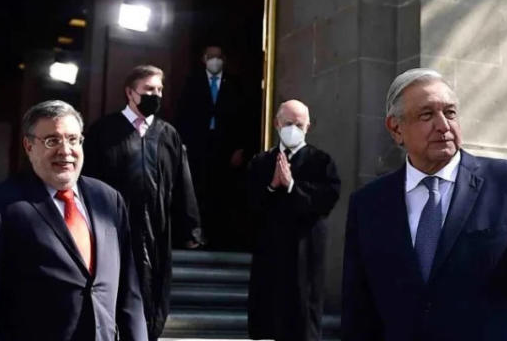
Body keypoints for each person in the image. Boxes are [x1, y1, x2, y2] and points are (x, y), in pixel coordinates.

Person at [341, 68, 507, 341]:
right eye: (426, 115)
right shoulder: (369, 204)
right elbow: (358, 312)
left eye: (450, 112)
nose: (443, 125)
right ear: (396, 128)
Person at [0, 100, 147, 341]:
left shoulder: (108, 200)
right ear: (28, 146)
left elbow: (130, 292)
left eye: (73, 139)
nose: (65, 150)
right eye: (52, 140)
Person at [83, 64, 201, 340]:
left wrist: (191, 227)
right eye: (148, 90)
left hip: (157, 227)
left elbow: (183, 182)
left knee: (154, 290)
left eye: (159, 90)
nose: (155, 95)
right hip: (114, 227)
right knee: (118, 287)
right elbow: (88, 179)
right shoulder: (105, 131)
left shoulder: (167, 133)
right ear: (130, 92)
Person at [246, 100, 341, 341]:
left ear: (308, 127)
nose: (293, 129)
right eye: (288, 123)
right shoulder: (261, 162)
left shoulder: (321, 162)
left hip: (304, 254)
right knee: (268, 320)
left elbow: (325, 200)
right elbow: (249, 205)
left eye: (299, 124)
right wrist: (271, 186)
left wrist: (291, 186)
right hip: (270, 254)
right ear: (277, 124)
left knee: (301, 320)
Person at [177, 44, 249, 247]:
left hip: (225, 147)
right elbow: (183, 115)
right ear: (204, 59)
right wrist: (183, 145)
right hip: (199, 146)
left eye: (218, 57)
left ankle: (221, 236)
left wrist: (240, 148)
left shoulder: (234, 84)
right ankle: (197, 235)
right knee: (199, 190)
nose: (215, 61)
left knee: (223, 192)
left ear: (224, 59)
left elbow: (244, 118)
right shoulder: (193, 83)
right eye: (211, 57)